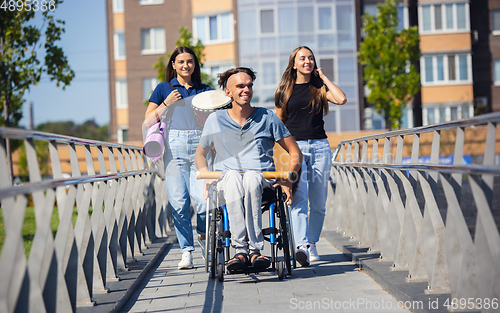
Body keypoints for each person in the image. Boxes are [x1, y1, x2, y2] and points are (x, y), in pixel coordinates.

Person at [195, 67, 302, 271]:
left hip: (262, 182)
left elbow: (294, 151)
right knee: (234, 176)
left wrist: (288, 181)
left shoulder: (267, 117)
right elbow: (200, 155)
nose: (246, 90)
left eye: (249, 86)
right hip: (228, 181)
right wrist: (207, 178)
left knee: (252, 177)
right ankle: (240, 250)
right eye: (240, 86)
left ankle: (254, 250)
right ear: (228, 92)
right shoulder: (215, 120)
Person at [275, 46, 347, 266]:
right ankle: (302, 247)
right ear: (294, 63)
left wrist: (323, 77)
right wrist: (279, 157)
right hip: (294, 150)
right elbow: (278, 125)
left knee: (318, 203)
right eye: (302, 58)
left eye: (311, 58)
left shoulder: (319, 88)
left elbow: (341, 99)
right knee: (299, 198)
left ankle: (313, 243)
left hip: (320, 148)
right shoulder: (284, 90)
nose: (307, 61)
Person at [144, 46, 213, 269]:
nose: (185, 65)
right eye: (181, 61)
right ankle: (187, 252)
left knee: (203, 201)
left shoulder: (204, 90)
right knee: (179, 202)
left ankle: (204, 237)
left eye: (190, 61)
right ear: (173, 64)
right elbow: (148, 121)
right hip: (173, 148)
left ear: (195, 65)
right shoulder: (164, 88)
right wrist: (166, 104)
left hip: (199, 148)